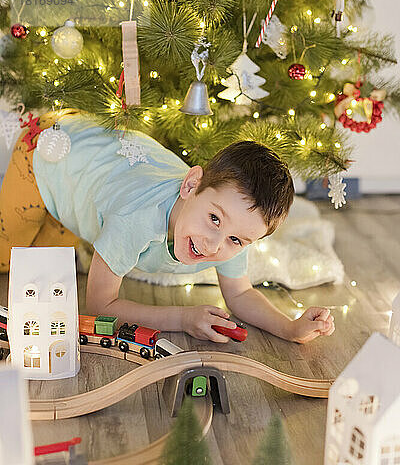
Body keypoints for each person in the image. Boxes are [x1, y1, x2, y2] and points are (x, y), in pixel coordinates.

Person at [0, 109, 334, 344]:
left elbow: (241, 294)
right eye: (213, 219)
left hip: (90, 170)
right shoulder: (135, 219)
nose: (215, 245)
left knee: (41, 270)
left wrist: (290, 328)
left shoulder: (229, 228)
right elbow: (99, 307)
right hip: (48, 147)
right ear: (191, 185)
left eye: (236, 240)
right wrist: (182, 319)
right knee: (7, 260)